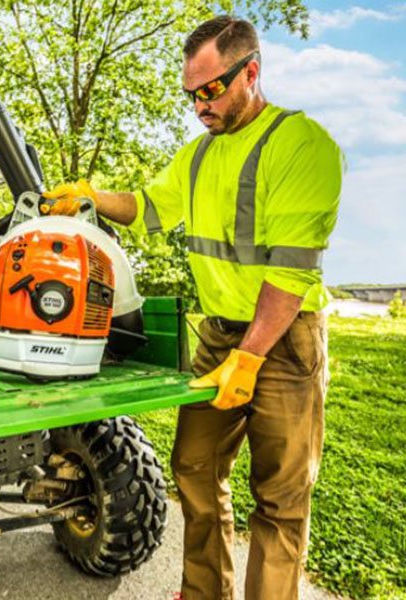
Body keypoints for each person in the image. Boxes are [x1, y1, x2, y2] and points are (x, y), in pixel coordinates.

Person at [43, 15, 342, 600]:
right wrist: (89, 195)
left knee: (280, 498)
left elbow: (290, 270)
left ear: (250, 72)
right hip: (219, 335)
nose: (199, 105)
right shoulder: (198, 156)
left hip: (285, 340)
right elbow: (149, 207)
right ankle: (205, 593)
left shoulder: (304, 147)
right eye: (190, 95)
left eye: (210, 90)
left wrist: (251, 358)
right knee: (195, 469)